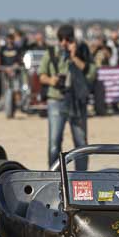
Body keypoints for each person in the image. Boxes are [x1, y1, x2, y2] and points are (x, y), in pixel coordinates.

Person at [38, 24, 95, 170]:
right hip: (56, 99)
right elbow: (41, 75)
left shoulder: (82, 51)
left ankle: (81, 177)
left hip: (77, 102)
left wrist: (74, 57)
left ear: (72, 39)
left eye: (67, 39)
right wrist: (52, 80)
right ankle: (53, 175)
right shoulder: (51, 53)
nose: (64, 43)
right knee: (54, 142)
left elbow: (91, 73)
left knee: (81, 142)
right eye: (61, 39)